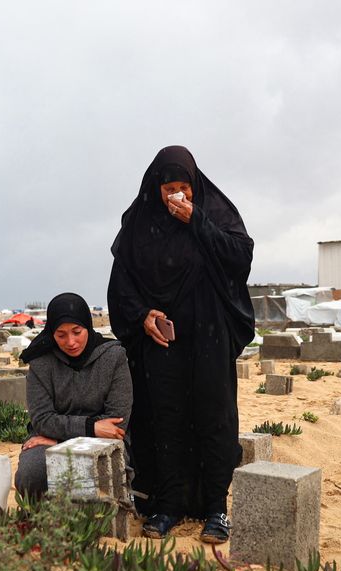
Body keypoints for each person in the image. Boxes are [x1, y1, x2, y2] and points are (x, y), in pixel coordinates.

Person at [107, 145, 255, 543]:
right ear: (155, 188)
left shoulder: (214, 212)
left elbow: (241, 258)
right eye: (169, 188)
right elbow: (121, 284)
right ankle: (167, 504)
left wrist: (197, 221)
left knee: (213, 416)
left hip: (209, 333)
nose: (177, 195)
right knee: (164, 417)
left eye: (183, 188)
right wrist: (142, 315)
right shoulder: (139, 224)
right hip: (161, 340)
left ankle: (215, 509)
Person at [14, 293, 133, 499]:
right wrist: (90, 427)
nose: (71, 342)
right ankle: (41, 523)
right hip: (51, 437)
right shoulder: (41, 363)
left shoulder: (114, 357)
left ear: (87, 325)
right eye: (61, 335)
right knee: (31, 475)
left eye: (77, 332)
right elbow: (42, 420)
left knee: (101, 475)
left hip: (99, 440)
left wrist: (60, 440)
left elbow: (116, 425)